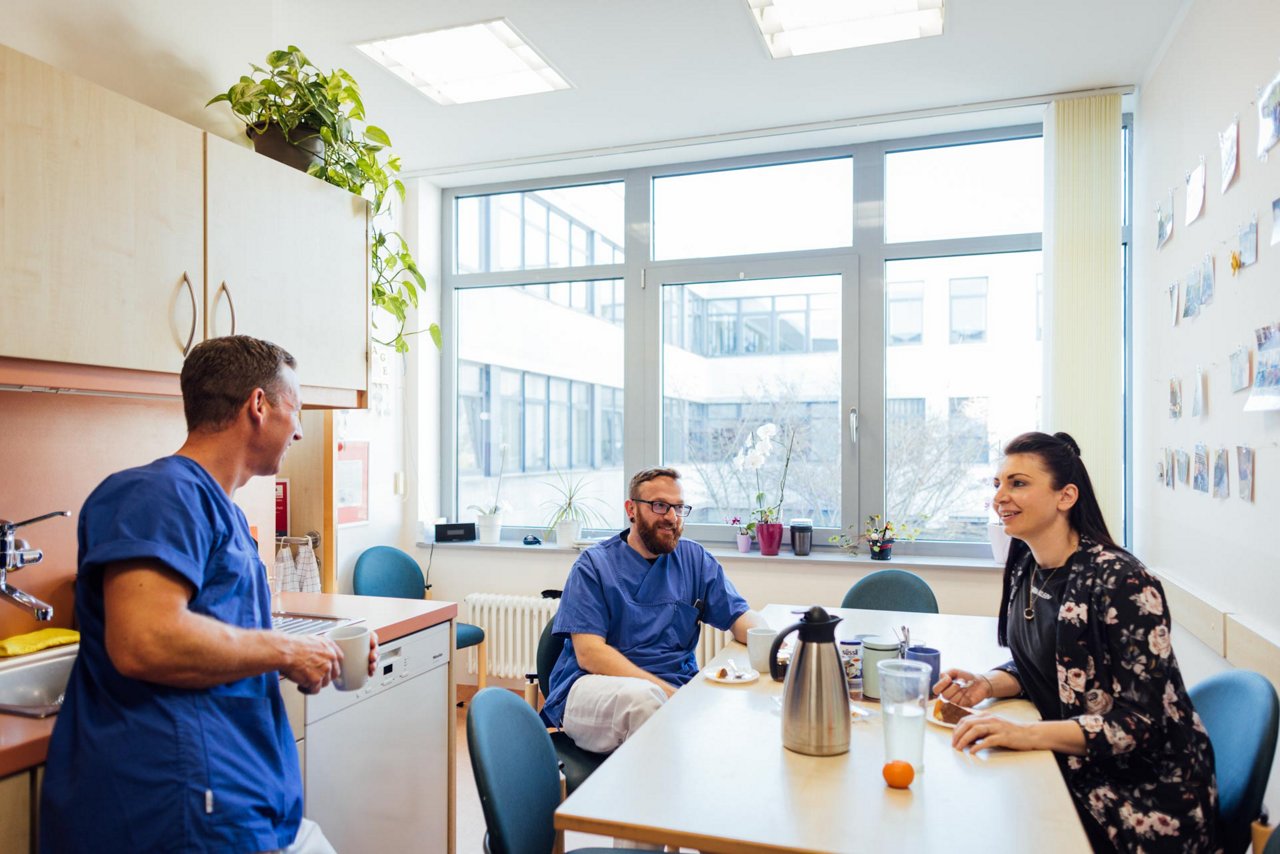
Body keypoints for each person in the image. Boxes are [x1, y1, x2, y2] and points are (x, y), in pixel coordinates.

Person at [41, 336, 376, 854]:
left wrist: (311, 659)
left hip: (236, 804)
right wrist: (287, 650)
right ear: (258, 405)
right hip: (176, 809)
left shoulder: (223, 514)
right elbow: (146, 640)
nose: (302, 429)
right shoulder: (157, 493)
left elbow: (217, 642)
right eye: (298, 410)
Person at [934, 432, 1219, 852]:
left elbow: (1140, 725)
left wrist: (1026, 734)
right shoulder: (1028, 566)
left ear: (1066, 496)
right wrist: (989, 684)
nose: (1000, 497)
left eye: (1018, 483)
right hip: (1069, 768)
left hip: (1139, 795)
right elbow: (1063, 664)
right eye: (997, 484)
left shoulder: (1122, 581)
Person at [543, 467, 764, 753]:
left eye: (679, 507)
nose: (671, 517)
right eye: (659, 505)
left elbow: (740, 616)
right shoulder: (594, 566)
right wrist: (669, 694)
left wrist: (777, 643)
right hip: (593, 687)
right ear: (631, 509)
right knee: (645, 701)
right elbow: (589, 653)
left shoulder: (693, 559)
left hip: (674, 689)